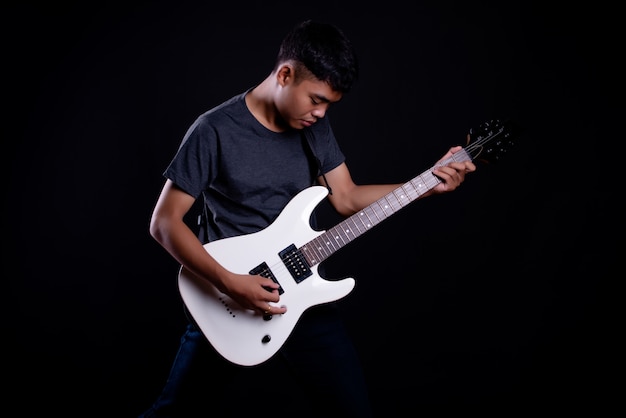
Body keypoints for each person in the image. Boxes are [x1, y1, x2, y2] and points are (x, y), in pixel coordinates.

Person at [139, 19, 476, 417]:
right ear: (285, 74)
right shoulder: (214, 130)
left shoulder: (313, 127)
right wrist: (232, 282)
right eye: (316, 99)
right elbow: (164, 223)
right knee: (174, 413)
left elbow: (347, 198)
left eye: (329, 105)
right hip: (226, 297)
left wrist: (426, 184)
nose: (320, 112)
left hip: (301, 298)